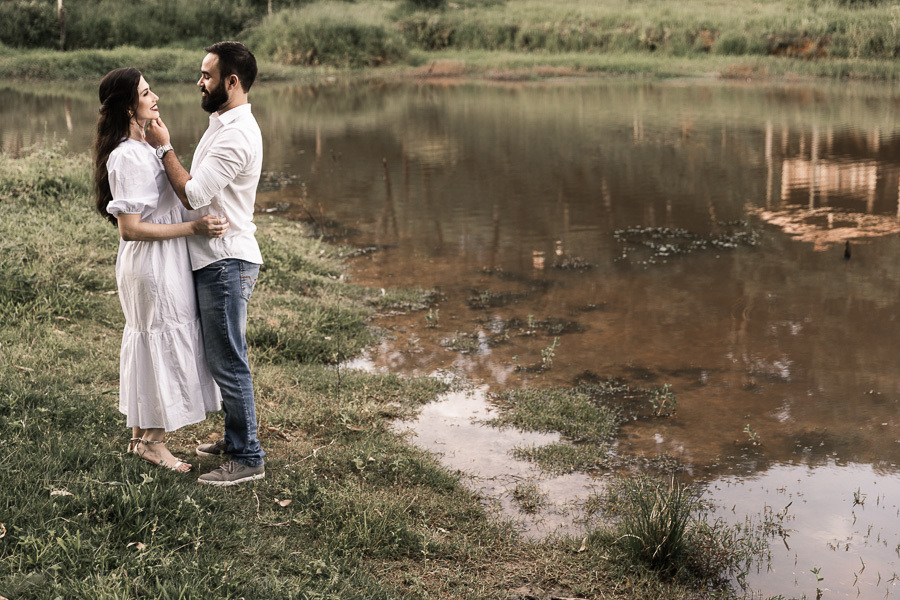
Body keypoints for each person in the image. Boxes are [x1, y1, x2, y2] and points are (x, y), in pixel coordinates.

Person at [93, 67, 228, 472]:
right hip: (153, 265)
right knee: (160, 340)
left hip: (158, 260)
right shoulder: (126, 156)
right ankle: (154, 442)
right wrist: (195, 227)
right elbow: (130, 228)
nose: (155, 99)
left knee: (151, 340)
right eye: (146, 93)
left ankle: (140, 438)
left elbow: (180, 193)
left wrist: (164, 145)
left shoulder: (144, 148)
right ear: (128, 106)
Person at [145, 41, 266, 486]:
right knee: (220, 358)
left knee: (229, 360)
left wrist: (164, 148)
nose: (200, 82)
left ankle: (248, 456)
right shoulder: (222, 122)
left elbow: (193, 194)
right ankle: (236, 437)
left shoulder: (237, 134)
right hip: (214, 259)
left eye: (207, 76)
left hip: (226, 260)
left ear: (231, 82)